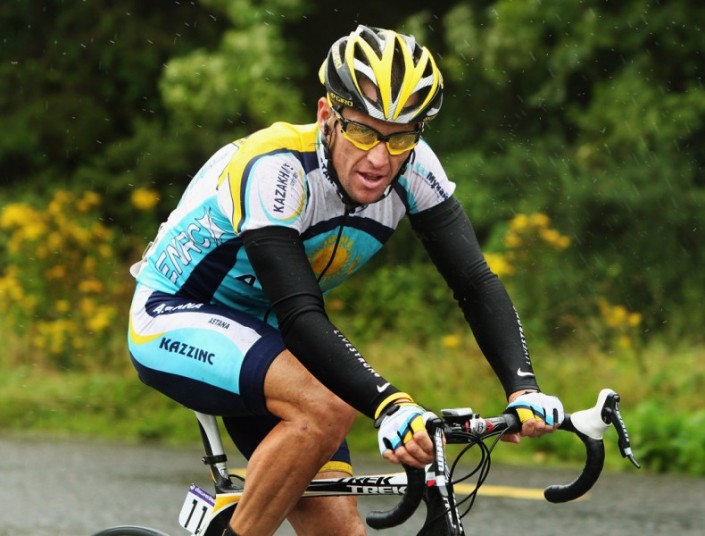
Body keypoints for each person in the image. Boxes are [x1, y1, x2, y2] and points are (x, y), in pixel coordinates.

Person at [127, 25, 564, 536]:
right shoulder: (275, 167)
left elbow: (475, 282)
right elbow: (300, 314)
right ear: (325, 116)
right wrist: (391, 405)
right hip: (174, 314)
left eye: (401, 136)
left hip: (268, 336)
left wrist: (522, 386)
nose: (380, 158)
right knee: (327, 408)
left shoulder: (414, 168)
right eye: (362, 131)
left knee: (339, 531)